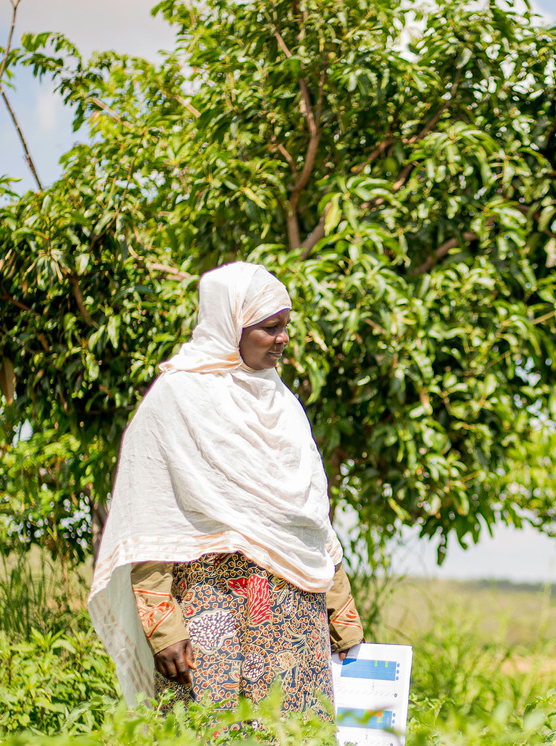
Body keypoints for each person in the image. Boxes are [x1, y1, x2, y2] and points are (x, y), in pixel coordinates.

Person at [88, 261, 363, 718]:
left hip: (294, 620)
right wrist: (163, 626)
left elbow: (311, 521)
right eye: (270, 328)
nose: (283, 339)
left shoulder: (283, 405)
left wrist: (342, 611)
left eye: (286, 327)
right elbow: (151, 520)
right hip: (209, 618)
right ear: (230, 324)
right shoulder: (175, 399)